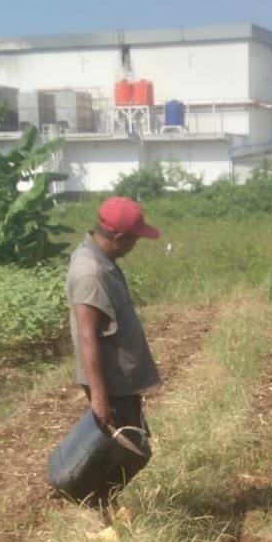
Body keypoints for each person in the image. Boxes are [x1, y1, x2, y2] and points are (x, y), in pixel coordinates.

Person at [66, 195, 163, 505]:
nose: (136, 245)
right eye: (135, 238)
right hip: (111, 383)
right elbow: (87, 338)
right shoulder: (91, 272)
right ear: (119, 238)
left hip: (119, 382)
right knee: (123, 453)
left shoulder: (101, 261)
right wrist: (100, 397)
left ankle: (106, 506)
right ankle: (98, 510)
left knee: (127, 449)